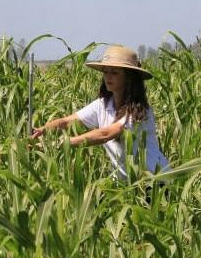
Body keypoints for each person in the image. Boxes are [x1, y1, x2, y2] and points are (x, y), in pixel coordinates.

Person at [30, 45, 170, 181]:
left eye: (114, 73)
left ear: (129, 78)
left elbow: (106, 134)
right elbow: (68, 122)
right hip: (128, 183)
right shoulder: (102, 105)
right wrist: (42, 130)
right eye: (105, 72)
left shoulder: (139, 110)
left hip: (155, 182)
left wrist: (61, 143)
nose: (108, 77)